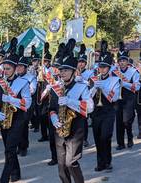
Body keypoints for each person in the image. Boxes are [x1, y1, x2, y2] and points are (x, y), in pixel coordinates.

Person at [48, 39, 94, 183]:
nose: (62, 73)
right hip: (59, 131)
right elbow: (52, 108)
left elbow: (90, 107)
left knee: (70, 163)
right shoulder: (57, 88)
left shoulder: (81, 87)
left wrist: (71, 102)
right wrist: (54, 118)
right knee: (61, 166)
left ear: (74, 71)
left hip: (76, 131)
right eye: (61, 70)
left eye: (66, 70)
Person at [0, 37, 31, 183]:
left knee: (9, 150)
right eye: (4, 68)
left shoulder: (23, 83)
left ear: (15, 68)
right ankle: (16, 172)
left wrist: (12, 100)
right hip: (4, 118)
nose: (5, 71)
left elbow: (26, 103)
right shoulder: (0, 82)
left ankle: (4, 178)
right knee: (10, 149)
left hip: (18, 119)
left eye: (8, 69)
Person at [90, 53, 120, 172]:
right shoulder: (94, 79)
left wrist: (104, 88)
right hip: (96, 112)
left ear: (109, 68)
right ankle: (100, 163)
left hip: (108, 111)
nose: (101, 69)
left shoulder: (115, 80)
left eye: (104, 67)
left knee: (105, 137)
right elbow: (88, 96)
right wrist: (93, 88)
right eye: (100, 67)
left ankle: (108, 161)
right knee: (98, 138)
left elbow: (114, 97)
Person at [113, 41, 140, 150]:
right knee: (119, 121)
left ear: (127, 61)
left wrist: (125, 84)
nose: (122, 63)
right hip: (118, 99)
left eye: (124, 60)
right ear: (118, 62)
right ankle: (120, 143)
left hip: (129, 98)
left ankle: (129, 138)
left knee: (126, 120)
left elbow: (137, 87)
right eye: (120, 61)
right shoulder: (114, 72)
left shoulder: (133, 72)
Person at [16, 45, 37, 157]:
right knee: (15, 126)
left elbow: (32, 90)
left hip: (26, 104)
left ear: (25, 67)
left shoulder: (31, 77)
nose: (18, 69)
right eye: (17, 66)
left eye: (20, 67)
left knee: (23, 126)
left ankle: (23, 147)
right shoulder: (14, 77)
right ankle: (18, 145)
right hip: (15, 103)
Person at [76, 44, 94, 147]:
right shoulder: (74, 72)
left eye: (82, 62)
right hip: (75, 97)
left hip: (85, 96)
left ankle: (84, 139)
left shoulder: (89, 72)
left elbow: (92, 84)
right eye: (79, 62)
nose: (80, 64)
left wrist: (82, 79)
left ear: (85, 63)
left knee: (84, 120)